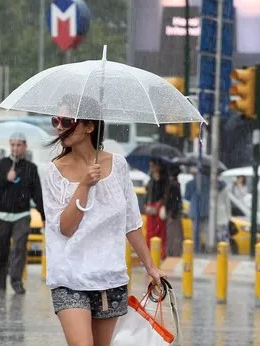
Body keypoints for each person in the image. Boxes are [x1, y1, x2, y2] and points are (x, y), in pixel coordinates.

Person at [42, 96, 165, 346]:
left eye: (67, 121)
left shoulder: (117, 165)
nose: (58, 127)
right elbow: (65, 228)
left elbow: (131, 223)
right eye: (56, 120)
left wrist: (151, 267)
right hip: (69, 278)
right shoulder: (53, 172)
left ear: (90, 126)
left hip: (109, 276)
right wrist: (85, 185)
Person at [0, 131, 45, 295]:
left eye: (19, 145)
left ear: (25, 147)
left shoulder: (30, 168)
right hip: (1, 215)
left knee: (19, 248)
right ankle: (1, 276)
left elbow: (37, 194)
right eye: (13, 145)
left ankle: (16, 281)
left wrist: (44, 216)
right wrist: (6, 179)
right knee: (2, 249)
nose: (15, 148)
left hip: (21, 215)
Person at [144, 158, 168, 259]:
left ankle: (160, 253)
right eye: (150, 166)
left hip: (158, 208)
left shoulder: (163, 180)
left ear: (158, 167)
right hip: (150, 208)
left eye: (153, 166)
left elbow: (165, 195)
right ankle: (149, 253)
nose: (151, 168)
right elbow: (147, 195)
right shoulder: (150, 179)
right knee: (150, 231)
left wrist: (158, 182)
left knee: (159, 232)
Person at [184, 167, 210, 253]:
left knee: (195, 232)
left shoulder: (190, 183)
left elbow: (186, 197)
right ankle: (208, 248)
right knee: (206, 231)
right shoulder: (208, 181)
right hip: (206, 210)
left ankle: (196, 249)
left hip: (195, 210)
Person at [165, 164, 184, 257]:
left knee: (171, 234)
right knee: (175, 235)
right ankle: (174, 252)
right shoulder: (175, 184)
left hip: (172, 213)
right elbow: (175, 201)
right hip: (174, 213)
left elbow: (170, 200)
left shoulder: (170, 184)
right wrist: (174, 212)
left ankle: (171, 252)